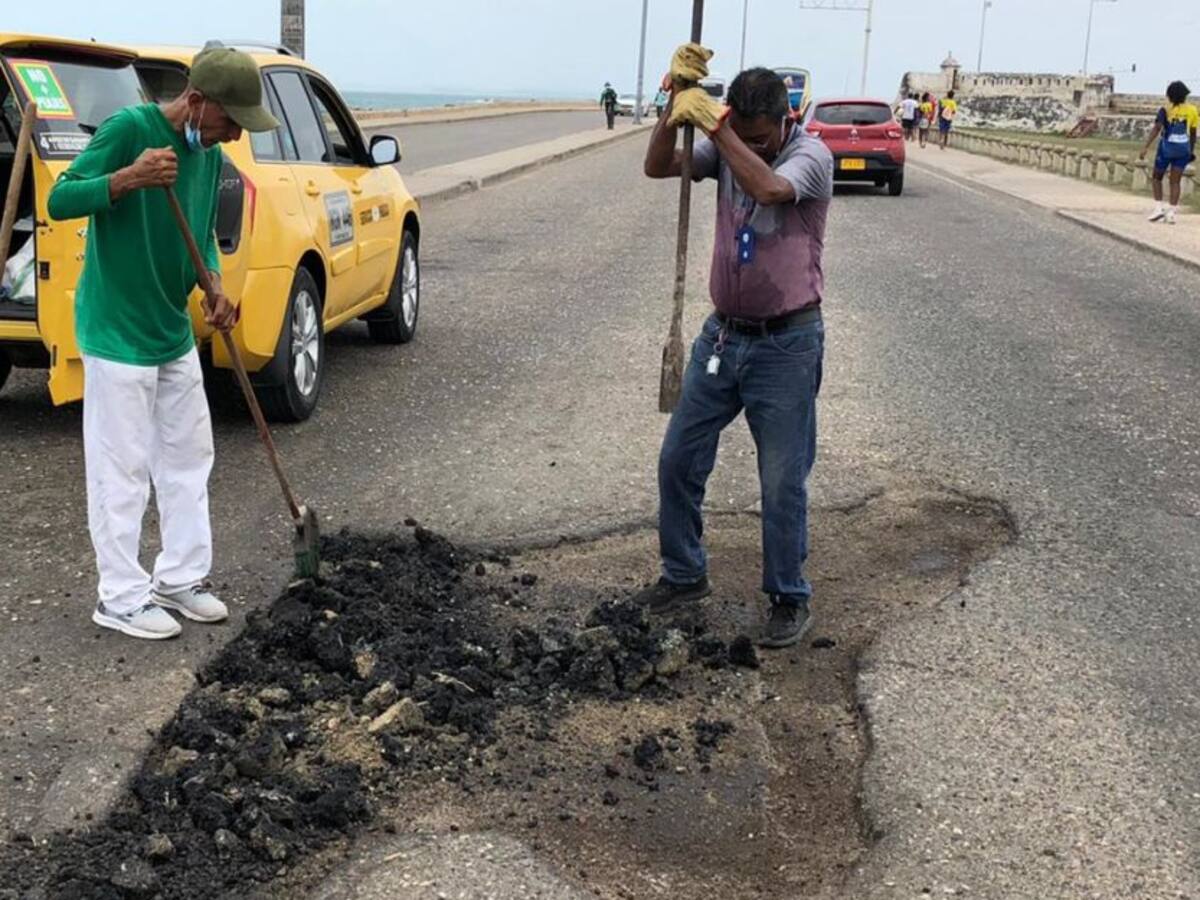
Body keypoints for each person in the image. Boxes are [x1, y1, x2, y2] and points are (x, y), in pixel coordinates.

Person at [47, 45, 279, 640]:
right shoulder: (131, 129)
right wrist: (128, 178)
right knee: (120, 468)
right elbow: (61, 198)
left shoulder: (206, 156)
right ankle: (120, 597)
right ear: (197, 103)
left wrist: (214, 285)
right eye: (229, 123)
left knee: (187, 457)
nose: (231, 137)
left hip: (171, 328)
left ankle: (179, 577)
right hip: (116, 330)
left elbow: (201, 233)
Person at [640, 45, 833, 649]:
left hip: (787, 343)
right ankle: (684, 574)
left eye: (760, 135)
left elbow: (771, 189)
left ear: (786, 120)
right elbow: (658, 167)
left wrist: (720, 129)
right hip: (723, 335)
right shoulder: (727, 146)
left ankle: (787, 595)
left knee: (781, 480)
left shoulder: (810, 156)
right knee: (678, 457)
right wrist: (675, 103)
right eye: (742, 132)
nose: (754, 144)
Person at [1139, 80, 1198, 225]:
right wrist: (1190, 151)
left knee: (1157, 177)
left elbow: (1157, 128)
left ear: (1169, 95)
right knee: (1175, 181)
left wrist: (1145, 146)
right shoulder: (1192, 110)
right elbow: (1193, 133)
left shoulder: (1165, 109)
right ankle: (1171, 212)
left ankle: (1158, 208)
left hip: (1166, 149)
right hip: (1183, 150)